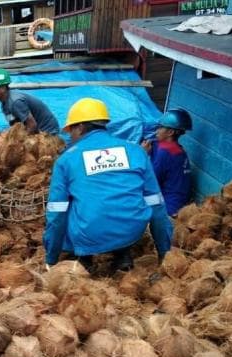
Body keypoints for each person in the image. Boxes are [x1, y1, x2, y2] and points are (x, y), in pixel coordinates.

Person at [43, 98, 173, 273]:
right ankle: (123, 254)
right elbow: (156, 204)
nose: (70, 137)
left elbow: (56, 213)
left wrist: (51, 258)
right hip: (132, 232)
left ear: (80, 127)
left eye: (71, 131)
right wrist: (164, 252)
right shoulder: (135, 151)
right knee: (119, 197)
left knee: (69, 206)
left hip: (90, 234)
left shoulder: (66, 160)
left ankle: (84, 258)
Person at [141, 108, 193, 217]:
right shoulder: (176, 148)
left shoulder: (164, 152)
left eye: (160, 127)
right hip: (178, 201)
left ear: (170, 132)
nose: (156, 131)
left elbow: (150, 182)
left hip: (168, 208)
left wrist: (143, 155)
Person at [0, 68, 59, 135]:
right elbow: (14, 124)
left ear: (2, 88)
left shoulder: (16, 102)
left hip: (48, 132)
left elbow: (32, 126)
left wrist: (19, 140)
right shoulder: (4, 104)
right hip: (35, 128)